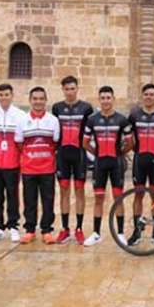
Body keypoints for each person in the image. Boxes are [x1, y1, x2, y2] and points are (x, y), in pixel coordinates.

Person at [82, 86, 134, 247]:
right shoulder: (92, 120)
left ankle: (120, 233)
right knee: (98, 198)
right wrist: (97, 153)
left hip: (116, 163)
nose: (105, 101)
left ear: (113, 99)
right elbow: (85, 142)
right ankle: (96, 233)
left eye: (108, 98)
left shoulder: (122, 120)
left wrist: (120, 153)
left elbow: (130, 143)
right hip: (100, 164)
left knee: (118, 198)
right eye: (103, 98)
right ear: (99, 100)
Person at [127, 84, 154, 246]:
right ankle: (137, 231)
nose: (149, 97)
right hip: (139, 160)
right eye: (146, 94)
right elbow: (128, 137)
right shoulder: (134, 116)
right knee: (138, 194)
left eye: (152, 94)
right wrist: (134, 150)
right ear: (142, 96)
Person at [52, 76, 94, 245]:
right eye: (67, 89)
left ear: (77, 89)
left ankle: (79, 228)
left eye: (72, 88)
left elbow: (90, 132)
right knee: (63, 190)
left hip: (79, 155)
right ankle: (64, 229)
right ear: (63, 90)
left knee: (79, 190)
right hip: (62, 154)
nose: (70, 92)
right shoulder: (57, 108)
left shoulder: (86, 108)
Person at [15, 87, 61, 244]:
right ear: (30, 100)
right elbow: (20, 143)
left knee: (48, 200)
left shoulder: (53, 120)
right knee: (29, 201)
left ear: (46, 101)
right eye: (35, 99)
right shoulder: (22, 120)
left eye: (41, 99)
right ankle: (29, 230)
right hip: (29, 168)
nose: (38, 102)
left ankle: (47, 230)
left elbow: (55, 143)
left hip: (47, 168)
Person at [0, 84, 27, 243]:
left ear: (12, 95)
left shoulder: (20, 115)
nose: (4, 97)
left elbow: (21, 139)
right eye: (1, 94)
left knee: (12, 195)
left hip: (12, 162)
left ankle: (13, 226)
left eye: (7, 94)